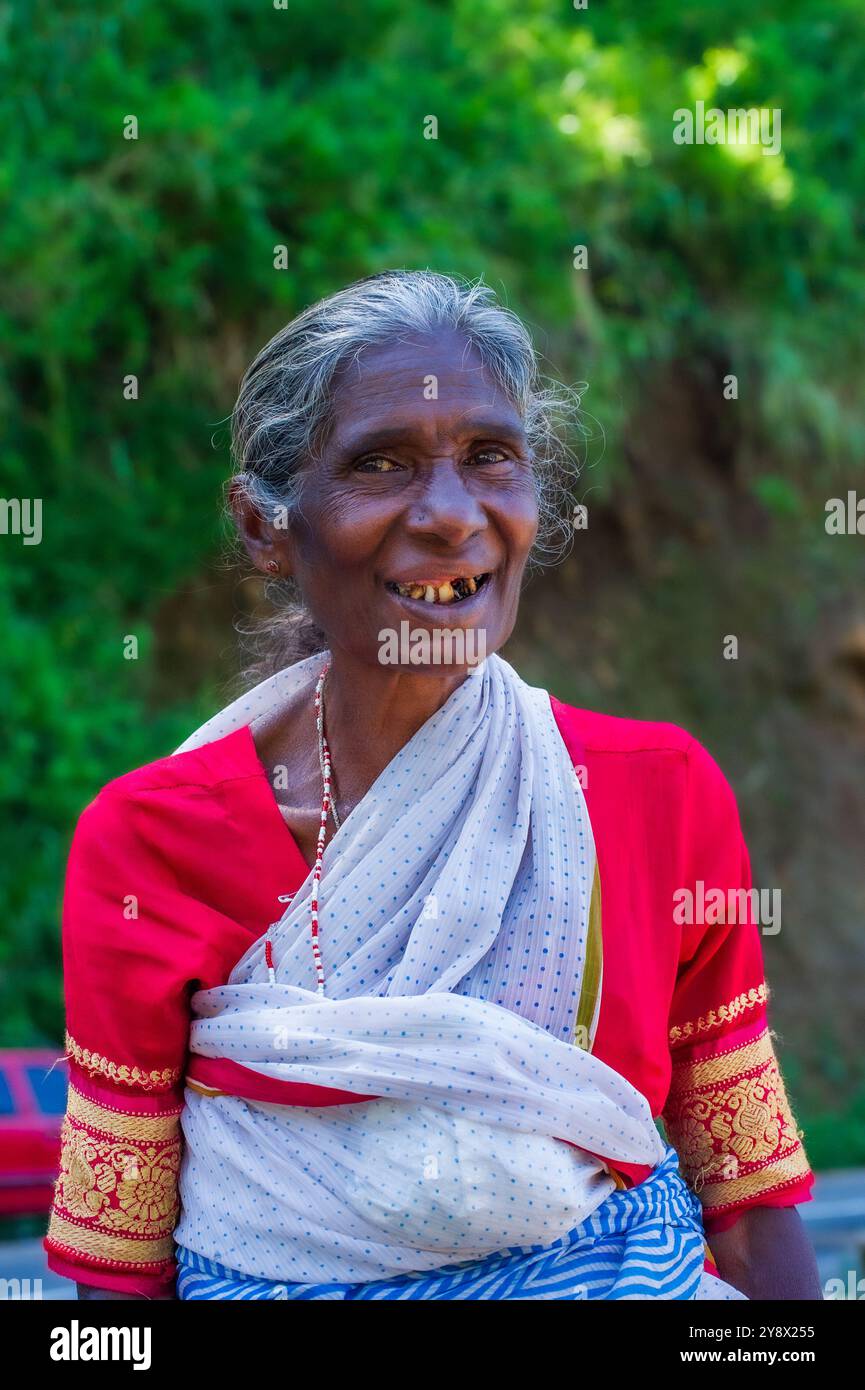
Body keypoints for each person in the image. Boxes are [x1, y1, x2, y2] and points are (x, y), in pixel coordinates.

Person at [44, 271, 820, 1300]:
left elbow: (751, 1202)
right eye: (383, 464)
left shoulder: (657, 794)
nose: (454, 515)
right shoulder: (150, 842)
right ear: (264, 527)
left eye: (489, 457)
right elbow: (117, 1268)